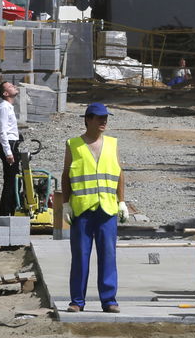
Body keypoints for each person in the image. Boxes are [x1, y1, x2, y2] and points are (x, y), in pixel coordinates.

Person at [61, 102, 128, 314]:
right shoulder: (73, 144)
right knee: (80, 256)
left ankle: (109, 300)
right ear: (88, 119)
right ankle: (77, 301)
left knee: (108, 255)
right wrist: (65, 204)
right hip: (81, 210)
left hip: (107, 210)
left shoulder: (112, 143)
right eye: (99, 117)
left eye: (106, 117)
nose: (104, 121)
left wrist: (122, 202)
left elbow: (119, 174)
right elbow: (66, 176)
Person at [0, 81, 22, 216]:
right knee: (11, 181)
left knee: (16, 180)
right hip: (9, 146)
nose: (14, 87)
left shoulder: (9, 107)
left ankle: (12, 210)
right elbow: (2, 131)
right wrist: (8, 152)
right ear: (5, 93)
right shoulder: (4, 107)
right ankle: (5, 214)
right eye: (10, 86)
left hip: (13, 144)